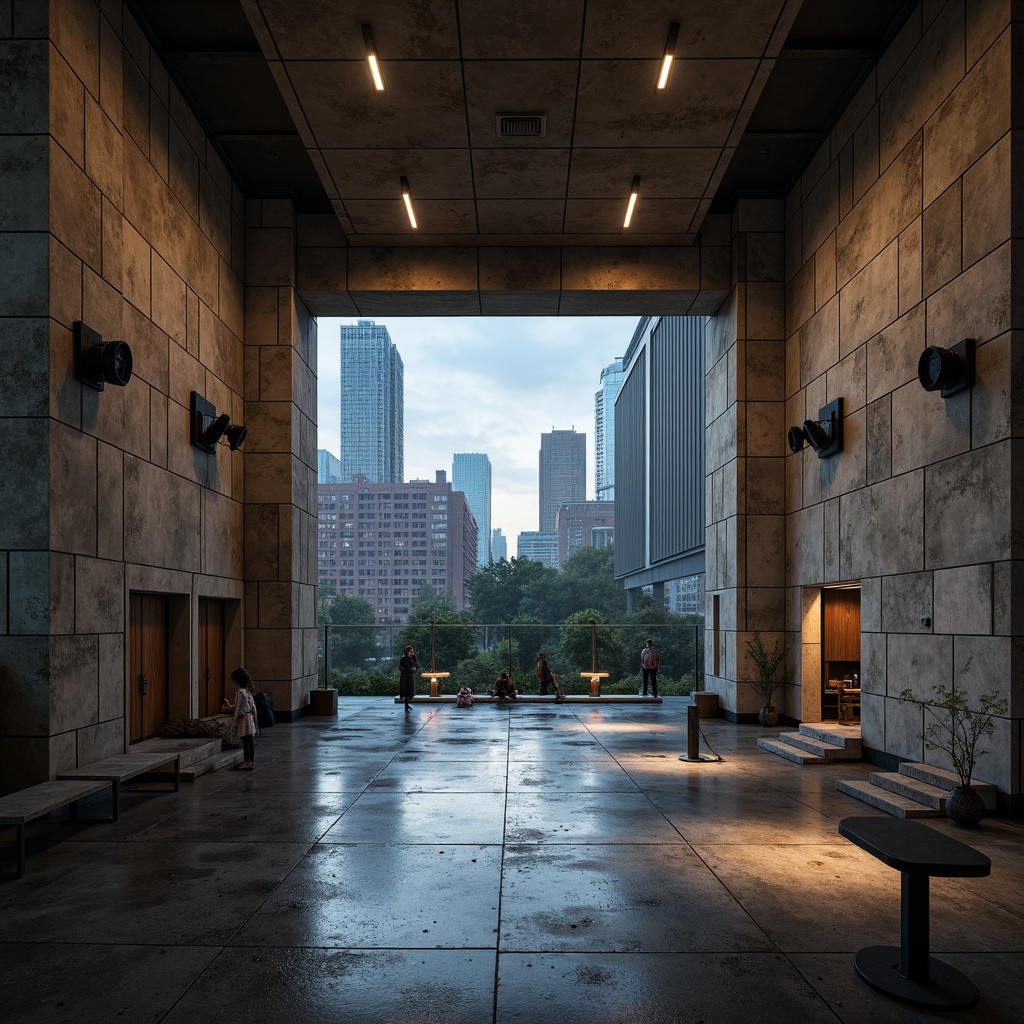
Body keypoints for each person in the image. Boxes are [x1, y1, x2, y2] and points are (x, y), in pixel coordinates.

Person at [222, 667, 257, 769]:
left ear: (236, 681)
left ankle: (247, 761)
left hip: (244, 719)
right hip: (249, 718)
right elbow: (252, 707)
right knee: (250, 739)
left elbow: (238, 709)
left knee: (245, 740)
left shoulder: (240, 693)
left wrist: (233, 723)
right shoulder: (247, 692)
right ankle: (251, 760)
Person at [398, 645, 419, 712]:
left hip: (409, 676)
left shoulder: (411, 658)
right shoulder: (403, 659)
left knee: (409, 690)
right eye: (410, 651)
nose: (410, 652)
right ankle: (406, 705)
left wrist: (414, 667)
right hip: (405, 676)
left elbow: (414, 665)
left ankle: (407, 704)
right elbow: (403, 667)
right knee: (406, 691)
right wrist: (411, 670)